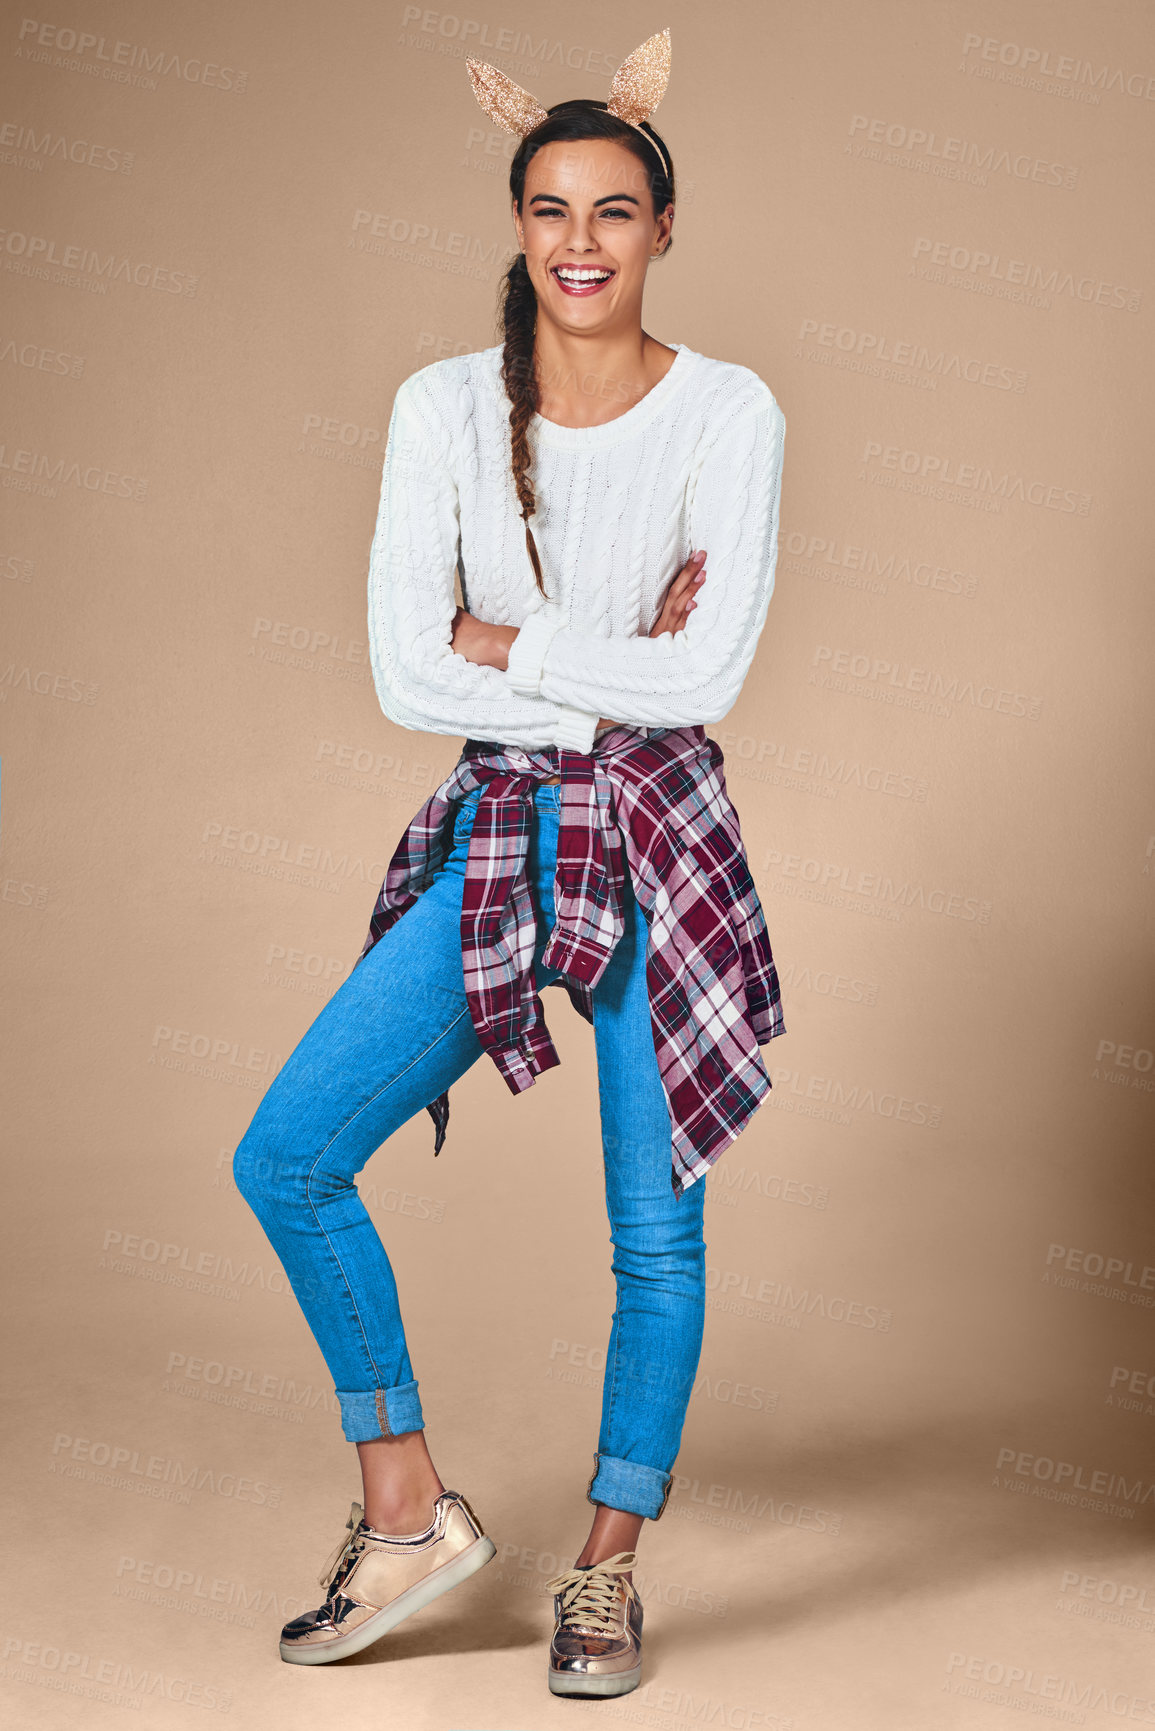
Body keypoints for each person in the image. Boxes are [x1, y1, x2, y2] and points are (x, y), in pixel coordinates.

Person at [232, 28, 787, 1699]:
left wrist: (512, 638)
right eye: (549, 208)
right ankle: (407, 1516)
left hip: (659, 841)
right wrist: (586, 648)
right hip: (503, 835)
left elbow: (707, 685)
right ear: (517, 222)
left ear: (663, 230)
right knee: (290, 1157)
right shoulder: (442, 409)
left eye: (616, 210)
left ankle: (608, 1576)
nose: (580, 242)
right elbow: (409, 675)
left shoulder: (732, 413)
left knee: (654, 1237)